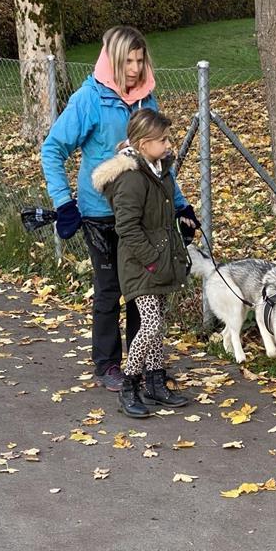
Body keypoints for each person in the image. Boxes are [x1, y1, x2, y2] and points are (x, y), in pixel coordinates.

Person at [41, 25, 200, 391]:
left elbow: (157, 158)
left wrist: (179, 206)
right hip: (100, 212)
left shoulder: (147, 99)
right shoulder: (89, 99)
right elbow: (52, 150)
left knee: (142, 286)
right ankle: (108, 364)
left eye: (139, 60)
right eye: (127, 60)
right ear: (112, 60)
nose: (134, 68)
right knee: (110, 288)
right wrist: (64, 203)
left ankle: (140, 361)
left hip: (142, 210)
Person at [92, 109, 192, 418]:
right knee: (148, 324)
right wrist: (151, 260)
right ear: (144, 142)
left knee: (157, 323)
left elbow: (160, 215)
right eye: (162, 139)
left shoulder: (157, 170)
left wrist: (182, 217)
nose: (167, 144)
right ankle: (130, 385)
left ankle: (156, 382)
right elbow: (127, 228)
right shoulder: (132, 178)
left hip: (160, 259)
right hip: (141, 264)